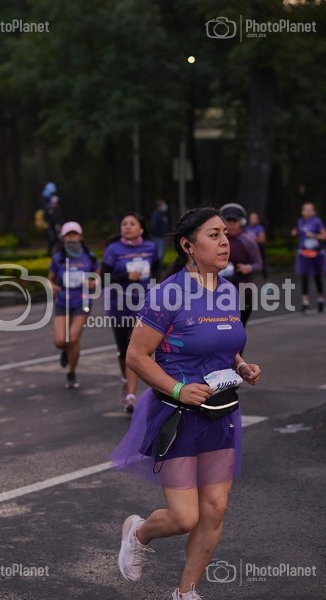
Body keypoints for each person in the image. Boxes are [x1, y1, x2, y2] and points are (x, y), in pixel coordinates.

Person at [111, 207, 261, 600]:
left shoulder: (229, 291)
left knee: (215, 509)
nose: (225, 242)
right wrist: (179, 390)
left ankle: (185, 593)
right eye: (214, 235)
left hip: (220, 413)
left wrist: (241, 366)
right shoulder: (167, 295)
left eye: (225, 234)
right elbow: (136, 356)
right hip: (177, 415)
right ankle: (139, 533)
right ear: (188, 246)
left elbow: (225, 344)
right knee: (184, 516)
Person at [101, 212, 159, 413]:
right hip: (118, 305)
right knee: (123, 350)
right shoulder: (113, 249)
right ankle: (126, 379)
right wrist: (126, 276)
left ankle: (131, 396)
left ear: (141, 228)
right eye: (124, 223)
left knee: (133, 346)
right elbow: (104, 279)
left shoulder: (150, 247)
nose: (127, 226)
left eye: (132, 223)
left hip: (143, 305)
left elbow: (157, 272)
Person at [48, 221, 100, 389]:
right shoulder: (58, 258)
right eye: (68, 235)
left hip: (82, 302)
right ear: (63, 238)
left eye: (74, 234)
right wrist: (53, 286)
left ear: (80, 236)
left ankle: (71, 372)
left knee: (73, 338)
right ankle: (65, 351)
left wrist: (93, 282)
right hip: (62, 301)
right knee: (60, 341)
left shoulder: (89, 256)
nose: (71, 238)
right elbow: (49, 280)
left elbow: (98, 274)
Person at [218, 203, 263, 327]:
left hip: (243, 292)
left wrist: (248, 268)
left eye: (235, 221)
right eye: (228, 220)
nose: (231, 224)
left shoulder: (247, 240)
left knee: (238, 329)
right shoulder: (216, 240)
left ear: (241, 222)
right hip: (219, 293)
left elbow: (259, 264)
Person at [291, 202, 326, 313]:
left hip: (316, 253)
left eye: (310, 209)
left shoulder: (317, 221)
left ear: (313, 211)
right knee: (304, 277)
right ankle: (305, 302)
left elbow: (324, 235)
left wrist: (314, 235)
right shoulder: (300, 222)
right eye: (306, 209)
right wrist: (294, 232)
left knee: (317, 277)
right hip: (304, 253)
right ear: (302, 211)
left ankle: (320, 300)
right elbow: (297, 232)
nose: (308, 212)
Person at [245, 212, 267, 279]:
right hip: (250, 248)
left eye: (255, 218)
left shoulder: (260, 228)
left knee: (262, 262)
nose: (253, 220)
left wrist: (252, 238)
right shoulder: (247, 228)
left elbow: (262, 239)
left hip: (259, 247)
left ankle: (264, 276)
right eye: (252, 218)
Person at [150, 199, 170, 267]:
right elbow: (154, 226)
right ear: (159, 206)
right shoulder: (156, 215)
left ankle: (159, 268)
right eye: (163, 205)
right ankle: (157, 269)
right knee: (159, 254)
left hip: (161, 237)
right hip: (158, 237)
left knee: (161, 254)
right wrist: (162, 235)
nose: (165, 206)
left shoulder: (162, 215)